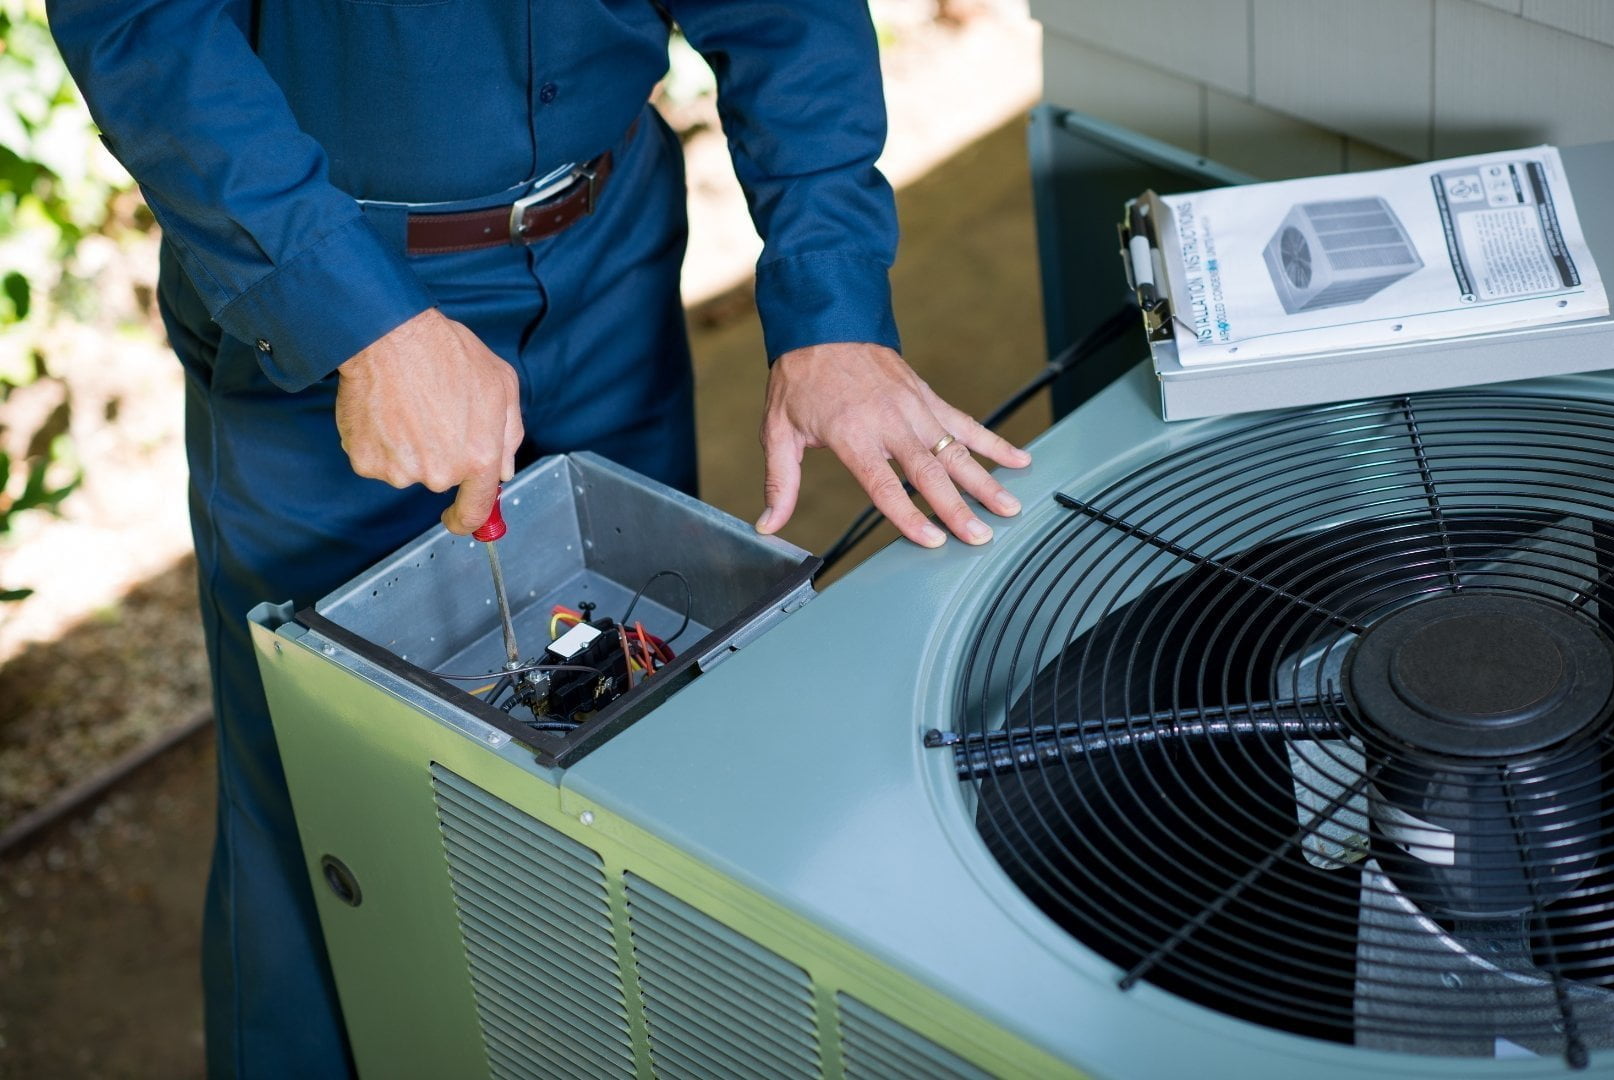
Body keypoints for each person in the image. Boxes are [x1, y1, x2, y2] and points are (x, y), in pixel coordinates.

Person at [48, 1, 1032, 1075]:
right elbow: (142, 23)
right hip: (335, 294)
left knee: (640, 745)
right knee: (330, 811)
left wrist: (832, 305)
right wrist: (359, 320)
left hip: (610, 254)